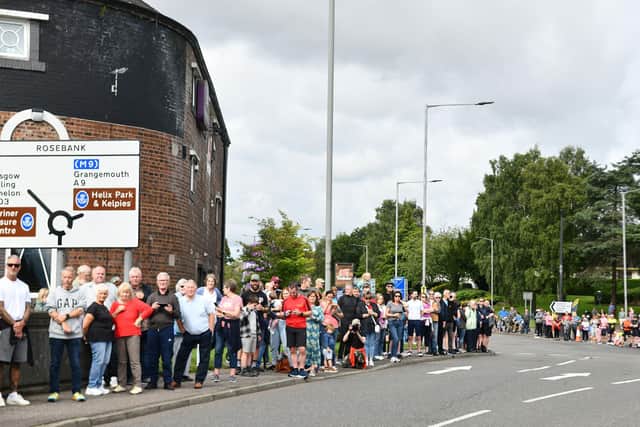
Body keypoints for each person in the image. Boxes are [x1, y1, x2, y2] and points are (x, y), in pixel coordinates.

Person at [46, 266, 87, 402]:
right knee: (55, 363)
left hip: (74, 334)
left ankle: (76, 392)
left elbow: (81, 310)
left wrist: (67, 316)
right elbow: (51, 311)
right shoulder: (54, 292)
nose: (67, 280)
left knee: (75, 364)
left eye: (70, 277)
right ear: (61, 277)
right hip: (56, 334)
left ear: (73, 277)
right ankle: (54, 392)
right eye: (65, 277)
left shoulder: (80, 292)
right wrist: (63, 323)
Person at [110, 283, 153, 394]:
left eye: (127, 292)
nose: (125, 294)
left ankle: (137, 385)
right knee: (122, 361)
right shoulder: (115, 304)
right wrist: (117, 311)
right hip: (119, 334)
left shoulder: (135, 302)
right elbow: (110, 318)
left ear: (130, 293)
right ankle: (122, 384)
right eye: (123, 292)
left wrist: (139, 319)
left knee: (134, 361)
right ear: (119, 293)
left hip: (133, 334)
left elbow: (149, 309)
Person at [0, 255, 32, 406]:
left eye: (16, 265)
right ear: (6, 265)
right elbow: (0, 307)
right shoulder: (1, 284)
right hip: (5, 326)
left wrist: (22, 323)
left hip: (21, 326)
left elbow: (28, 307)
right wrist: (14, 324)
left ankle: (13, 394)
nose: (13, 267)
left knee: (17, 363)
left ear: (20, 267)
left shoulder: (24, 286)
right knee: (1, 362)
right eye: (10, 265)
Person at [171, 280, 215, 389]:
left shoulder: (203, 300)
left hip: (204, 332)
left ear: (196, 289)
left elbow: (211, 314)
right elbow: (177, 316)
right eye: (188, 287)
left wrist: (211, 328)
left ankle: (199, 380)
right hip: (189, 333)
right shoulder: (180, 301)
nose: (190, 289)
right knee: (181, 357)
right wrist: (181, 328)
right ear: (184, 289)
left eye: (192, 287)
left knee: (204, 358)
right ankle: (177, 380)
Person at [145, 272, 181, 390]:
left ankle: (167, 381)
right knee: (152, 357)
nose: (163, 283)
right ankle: (153, 381)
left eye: (165, 281)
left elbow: (178, 315)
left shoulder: (173, 297)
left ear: (168, 282)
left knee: (166, 357)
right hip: (153, 329)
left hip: (167, 329)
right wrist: (152, 308)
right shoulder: (152, 297)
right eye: (161, 281)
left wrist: (171, 311)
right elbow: (145, 314)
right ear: (157, 282)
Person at [83, 284, 114, 397]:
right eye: (101, 293)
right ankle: (91, 386)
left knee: (105, 361)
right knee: (98, 361)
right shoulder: (93, 307)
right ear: (96, 294)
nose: (103, 295)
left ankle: (99, 385)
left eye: (105, 293)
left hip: (107, 337)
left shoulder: (104, 307)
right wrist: (84, 335)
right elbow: (85, 324)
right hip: (97, 338)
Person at [212, 279, 242, 383]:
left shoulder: (237, 299)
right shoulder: (224, 299)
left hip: (232, 327)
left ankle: (232, 374)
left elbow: (236, 314)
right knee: (218, 349)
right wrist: (222, 313)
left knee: (231, 350)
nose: (223, 289)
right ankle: (216, 373)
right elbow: (219, 311)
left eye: (224, 287)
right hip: (221, 325)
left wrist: (224, 312)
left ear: (229, 288)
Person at [281, 283, 311, 378]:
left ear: (297, 290)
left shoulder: (303, 299)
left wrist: (301, 313)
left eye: (294, 292)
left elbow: (310, 312)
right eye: (290, 293)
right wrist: (286, 314)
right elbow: (282, 314)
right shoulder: (286, 301)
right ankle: (295, 369)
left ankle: (301, 369)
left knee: (302, 349)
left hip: (301, 326)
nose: (292, 294)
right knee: (292, 349)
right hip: (290, 326)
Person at [241, 274, 269, 373]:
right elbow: (241, 309)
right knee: (245, 346)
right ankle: (242, 366)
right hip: (246, 324)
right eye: (253, 281)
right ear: (250, 282)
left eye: (256, 281)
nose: (255, 283)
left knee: (257, 345)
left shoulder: (263, 295)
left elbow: (267, 309)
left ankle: (254, 365)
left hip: (259, 322)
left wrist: (262, 308)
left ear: (259, 282)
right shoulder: (245, 294)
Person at [337, 284, 365, 362]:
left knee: (350, 340)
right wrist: (339, 320)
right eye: (346, 289)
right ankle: (339, 357)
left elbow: (358, 310)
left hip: (352, 321)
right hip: (344, 321)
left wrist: (356, 322)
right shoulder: (341, 299)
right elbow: (338, 309)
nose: (347, 291)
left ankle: (347, 356)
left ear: (352, 290)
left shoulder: (356, 299)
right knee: (343, 339)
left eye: (348, 289)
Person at [239, 294, 261, 377]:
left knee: (251, 352)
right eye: (254, 305)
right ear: (249, 303)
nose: (255, 307)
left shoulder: (255, 312)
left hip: (254, 333)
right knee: (245, 352)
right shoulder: (244, 310)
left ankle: (248, 367)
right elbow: (241, 318)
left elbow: (257, 323)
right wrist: (249, 310)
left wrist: (259, 333)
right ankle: (243, 368)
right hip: (246, 334)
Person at [269, 288, 290, 367]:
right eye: (284, 293)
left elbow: (288, 314)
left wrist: (279, 313)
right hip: (274, 323)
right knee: (274, 344)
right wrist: (277, 312)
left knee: (285, 345)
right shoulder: (277, 301)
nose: (285, 295)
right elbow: (269, 311)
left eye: (287, 293)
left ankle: (286, 362)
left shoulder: (291, 302)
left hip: (285, 323)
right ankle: (274, 363)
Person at [305, 290, 324, 376]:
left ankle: (313, 367)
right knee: (305, 349)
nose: (312, 298)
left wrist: (312, 316)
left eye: (314, 296)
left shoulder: (318, 308)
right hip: (305, 330)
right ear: (307, 297)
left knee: (314, 349)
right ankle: (305, 367)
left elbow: (321, 318)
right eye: (310, 296)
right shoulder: (304, 307)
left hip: (314, 331)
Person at [360, 291, 380, 366]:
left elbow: (378, 314)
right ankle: (366, 359)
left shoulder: (374, 305)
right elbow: (359, 314)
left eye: (369, 298)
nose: (368, 300)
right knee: (366, 343)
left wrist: (373, 313)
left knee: (372, 343)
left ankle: (371, 359)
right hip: (364, 326)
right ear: (363, 298)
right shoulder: (361, 305)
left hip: (372, 326)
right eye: (366, 298)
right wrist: (368, 314)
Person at [386, 291, 405, 363]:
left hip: (400, 322)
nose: (397, 297)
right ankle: (393, 355)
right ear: (393, 297)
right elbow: (386, 314)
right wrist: (394, 315)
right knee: (395, 338)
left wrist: (402, 302)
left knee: (398, 339)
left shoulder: (401, 304)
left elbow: (406, 309)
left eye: (399, 296)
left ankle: (395, 355)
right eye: (396, 296)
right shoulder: (390, 303)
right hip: (392, 322)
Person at [406, 291, 423, 356]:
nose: (415, 295)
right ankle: (410, 350)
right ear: (411, 295)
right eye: (414, 294)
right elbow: (407, 311)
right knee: (410, 336)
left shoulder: (420, 302)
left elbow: (422, 311)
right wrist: (408, 318)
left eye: (416, 294)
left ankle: (419, 350)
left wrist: (419, 317)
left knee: (418, 336)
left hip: (417, 320)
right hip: (410, 320)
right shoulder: (408, 302)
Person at [375, 294, 387, 359]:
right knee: (377, 339)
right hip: (378, 324)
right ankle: (376, 354)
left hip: (384, 324)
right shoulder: (376, 306)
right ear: (377, 299)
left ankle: (380, 353)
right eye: (379, 299)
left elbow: (386, 314)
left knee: (382, 340)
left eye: (382, 299)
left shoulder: (384, 307)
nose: (381, 300)